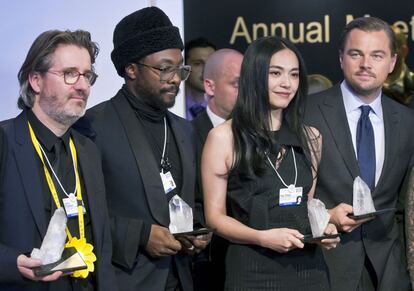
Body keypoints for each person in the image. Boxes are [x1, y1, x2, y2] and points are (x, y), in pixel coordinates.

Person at [77, 7, 208, 291]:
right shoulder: (91, 128)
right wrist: (139, 235)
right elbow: (76, 216)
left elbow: (194, 200)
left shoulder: (185, 129)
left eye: (180, 68)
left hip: (183, 278)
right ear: (131, 69)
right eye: (164, 68)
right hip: (127, 279)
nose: (175, 78)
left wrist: (196, 230)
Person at [202, 36, 339, 290]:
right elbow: (215, 218)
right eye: (276, 73)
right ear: (254, 75)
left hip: (310, 271)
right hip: (252, 271)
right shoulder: (224, 138)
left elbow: (306, 207)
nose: (287, 83)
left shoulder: (312, 137)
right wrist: (262, 237)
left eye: (294, 75)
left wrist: (325, 228)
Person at [0, 30, 117, 290]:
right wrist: (11, 262)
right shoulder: (5, 141)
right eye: (70, 73)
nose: (83, 86)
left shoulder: (88, 149)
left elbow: (102, 241)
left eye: (87, 76)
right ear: (36, 81)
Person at [304, 17, 414, 291]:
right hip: (324, 266)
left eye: (377, 55)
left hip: (390, 271)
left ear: (392, 63)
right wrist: (325, 216)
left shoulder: (408, 121)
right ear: (341, 58)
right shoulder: (305, 112)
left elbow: (404, 204)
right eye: (356, 54)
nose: (366, 64)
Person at [191, 48, 243, 291]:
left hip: (256, 263)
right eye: (237, 84)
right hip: (206, 266)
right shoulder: (187, 137)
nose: (246, 93)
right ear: (210, 87)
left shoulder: (264, 137)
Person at [185, 37, 216, 120]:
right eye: (198, 64)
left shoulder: (228, 110)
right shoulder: (171, 108)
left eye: (211, 62)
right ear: (184, 68)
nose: (206, 69)